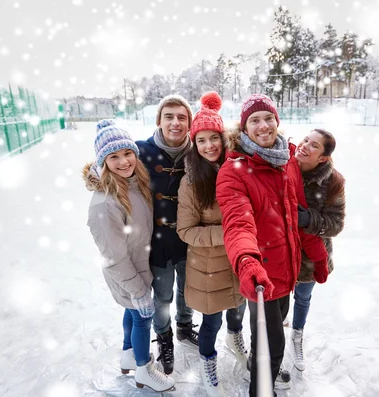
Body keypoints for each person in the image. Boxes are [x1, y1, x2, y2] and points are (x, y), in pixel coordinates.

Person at [216, 94, 329, 397]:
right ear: (244, 128)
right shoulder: (234, 170)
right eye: (254, 120)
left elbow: (294, 218)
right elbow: (238, 223)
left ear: (277, 122)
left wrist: (318, 257)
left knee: (271, 333)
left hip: (287, 271)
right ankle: (261, 389)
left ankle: (259, 365)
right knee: (272, 345)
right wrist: (247, 262)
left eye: (268, 118)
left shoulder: (286, 162)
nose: (263, 126)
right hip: (261, 277)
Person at [83, 120, 174, 391]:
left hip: (137, 265)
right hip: (127, 273)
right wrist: (137, 289)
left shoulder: (132, 183)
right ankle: (144, 368)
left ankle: (128, 353)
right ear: (103, 161)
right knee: (141, 316)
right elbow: (113, 257)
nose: (124, 161)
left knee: (133, 314)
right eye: (114, 157)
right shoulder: (104, 204)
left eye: (127, 153)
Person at [177, 91, 248, 396]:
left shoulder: (240, 169)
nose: (208, 146)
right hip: (208, 267)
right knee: (211, 322)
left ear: (223, 138)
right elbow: (186, 231)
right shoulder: (191, 181)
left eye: (213, 138)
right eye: (201, 140)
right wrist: (228, 232)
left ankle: (236, 340)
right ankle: (208, 362)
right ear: (194, 143)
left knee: (238, 310)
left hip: (240, 261)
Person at [135, 95, 197, 375]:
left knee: (188, 290)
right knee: (162, 297)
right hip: (157, 242)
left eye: (182, 117)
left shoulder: (197, 153)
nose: (175, 122)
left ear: (189, 123)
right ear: (158, 120)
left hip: (189, 240)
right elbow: (113, 173)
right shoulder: (140, 152)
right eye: (169, 116)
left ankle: (184, 326)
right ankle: (165, 337)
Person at [289, 128, 346, 372]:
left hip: (311, 258)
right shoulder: (283, 166)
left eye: (314, 146)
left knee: (302, 297)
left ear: (323, 157)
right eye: (305, 140)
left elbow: (336, 224)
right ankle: (276, 333)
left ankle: (297, 334)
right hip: (280, 249)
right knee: (277, 299)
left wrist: (308, 220)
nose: (305, 146)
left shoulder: (333, 182)